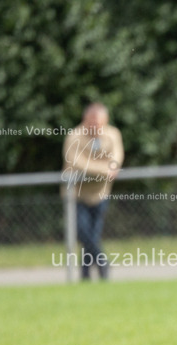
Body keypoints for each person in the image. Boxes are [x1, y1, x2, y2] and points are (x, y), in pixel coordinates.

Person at [62, 102, 124, 281]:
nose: (95, 126)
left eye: (99, 122)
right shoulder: (74, 136)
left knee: (93, 236)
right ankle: (103, 264)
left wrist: (112, 167)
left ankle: (85, 275)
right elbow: (76, 162)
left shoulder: (113, 134)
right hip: (76, 195)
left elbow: (116, 158)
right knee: (83, 232)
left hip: (101, 193)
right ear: (85, 119)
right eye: (92, 122)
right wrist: (106, 170)